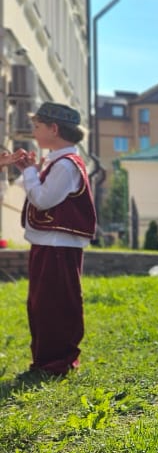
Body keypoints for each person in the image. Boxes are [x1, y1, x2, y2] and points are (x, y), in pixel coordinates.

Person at [13, 102, 95, 378]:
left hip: (58, 246)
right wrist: (31, 170)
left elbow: (43, 199)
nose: (33, 133)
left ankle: (57, 360)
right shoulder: (57, 162)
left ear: (54, 128)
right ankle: (47, 358)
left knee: (55, 302)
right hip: (50, 243)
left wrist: (29, 172)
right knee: (42, 302)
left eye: (37, 127)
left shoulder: (66, 166)